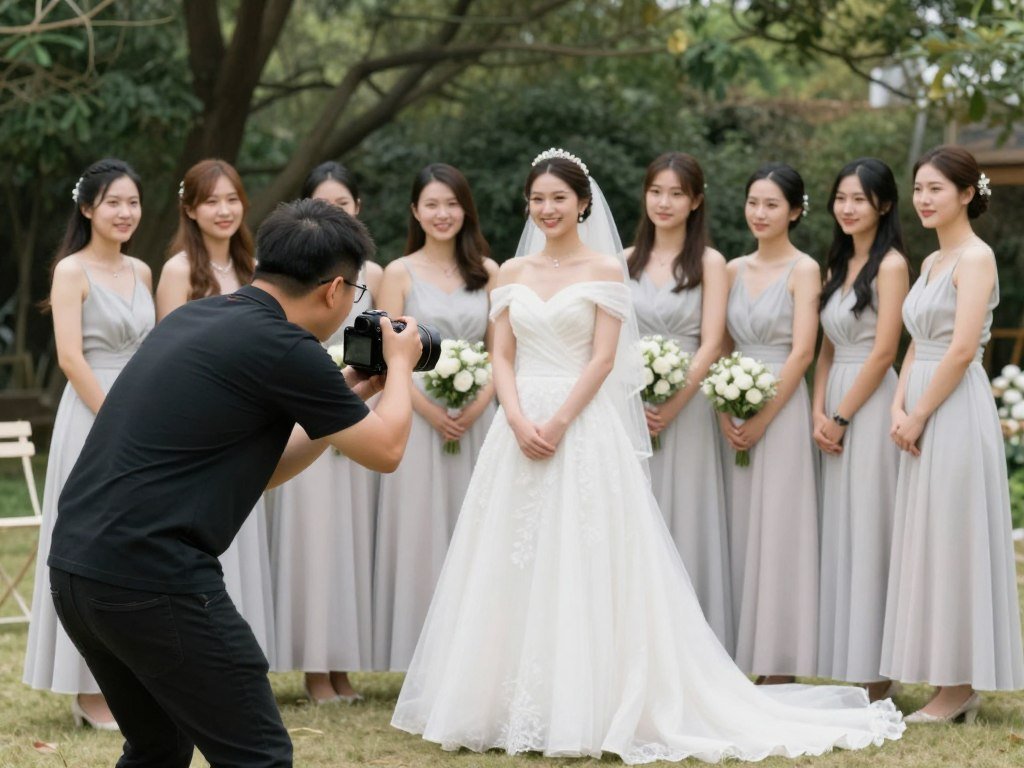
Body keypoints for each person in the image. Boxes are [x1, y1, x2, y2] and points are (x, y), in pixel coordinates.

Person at [392, 149, 903, 763]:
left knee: (586, 557)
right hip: (517, 425)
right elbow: (502, 353)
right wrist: (519, 417)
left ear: (583, 204)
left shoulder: (606, 268)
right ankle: (504, 703)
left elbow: (605, 359)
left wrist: (558, 421)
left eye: (559, 198)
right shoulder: (511, 273)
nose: (548, 209)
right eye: (538, 199)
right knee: (511, 556)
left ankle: (590, 701)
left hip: (581, 425)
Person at [47, 198, 423, 767]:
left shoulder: (198, 317)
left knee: (158, 748)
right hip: (153, 576)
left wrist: (347, 396)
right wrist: (400, 365)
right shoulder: (286, 346)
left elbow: (263, 472)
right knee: (258, 757)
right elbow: (388, 450)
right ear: (335, 289)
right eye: (356, 293)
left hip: (78, 568)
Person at [884, 145, 1024, 722]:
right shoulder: (930, 263)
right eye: (919, 188)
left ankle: (959, 685)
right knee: (929, 538)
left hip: (955, 408)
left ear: (967, 193)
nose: (923, 199)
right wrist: (898, 403)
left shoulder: (976, 257)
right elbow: (916, 341)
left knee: (954, 536)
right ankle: (945, 676)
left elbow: (963, 348)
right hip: (918, 401)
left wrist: (919, 413)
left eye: (935, 188)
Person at [23, 158, 154, 730]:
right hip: (92, 417)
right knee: (88, 546)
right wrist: (117, 419)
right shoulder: (71, 272)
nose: (125, 213)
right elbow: (71, 358)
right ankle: (86, 689)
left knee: (134, 545)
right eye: (113, 203)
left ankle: (132, 677)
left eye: (132, 202)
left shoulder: (143, 270)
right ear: (87, 208)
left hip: (143, 418)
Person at [373, 162, 499, 670]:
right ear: (415, 211)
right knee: (420, 530)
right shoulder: (398, 273)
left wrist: (477, 405)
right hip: (414, 411)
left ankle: (476, 656)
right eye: (432, 205)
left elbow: (502, 350)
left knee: (478, 528)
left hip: (478, 415)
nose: (442, 214)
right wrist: (428, 410)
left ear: (466, 210)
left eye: (452, 204)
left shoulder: (489, 273)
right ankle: (417, 657)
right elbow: (386, 355)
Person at [266, 161, 383, 703]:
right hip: (310, 410)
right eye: (325, 204)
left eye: (344, 204)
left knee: (347, 544)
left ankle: (342, 664)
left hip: (352, 411)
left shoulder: (372, 273)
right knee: (312, 540)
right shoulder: (292, 285)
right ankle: (314, 668)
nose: (336, 212)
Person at [155, 158, 275, 656]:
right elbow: (167, 358)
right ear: (190, 209)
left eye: (232, 199)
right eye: (211, 201)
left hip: (253, 421)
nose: (224, 210)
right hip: (201, 425)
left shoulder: (256, 269)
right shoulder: (179, 270)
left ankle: (242, 656)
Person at [626, 152, 733, 651]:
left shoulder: (710, 263)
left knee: (687, 514)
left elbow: (712, 342)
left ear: (695, 201)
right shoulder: (622, 261)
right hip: (629, 407)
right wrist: (633, 398)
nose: (664, 203)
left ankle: (693, 644)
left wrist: (672, 404)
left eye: (676, 194)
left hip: (689, 409)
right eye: (656, 192)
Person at [812, 159, 909, 701]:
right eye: (841, 198)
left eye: (859, 199)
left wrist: (843, 416)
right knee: (842, 528)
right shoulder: (837, 263)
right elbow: (826, 348)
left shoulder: (890, 266)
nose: (847, 208)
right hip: (833, 403)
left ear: (883, 205)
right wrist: (817, 410)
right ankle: (849, 659)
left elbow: (884, 351)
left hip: (869, 405)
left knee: (872, 525)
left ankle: (878, 669)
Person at [721, 163, 821, 683]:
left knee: (780, 528)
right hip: (731, 408)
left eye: (772, 205)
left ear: (795, 212)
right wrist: (725, 408)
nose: (759, 213)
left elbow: (803, 351)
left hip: (780, 409)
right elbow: (720, 345)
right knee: (738, 526)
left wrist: (762, 418)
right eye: (753, 202)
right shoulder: (732, 269)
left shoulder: (804, 269)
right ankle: (736, 655)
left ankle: (780, 663)